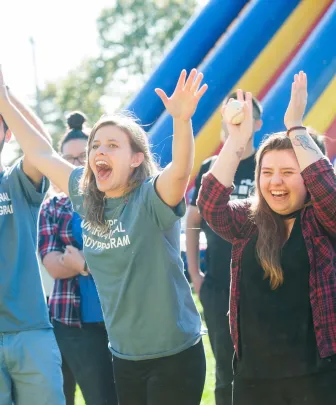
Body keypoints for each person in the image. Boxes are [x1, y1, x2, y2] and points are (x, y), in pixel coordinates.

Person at [0, 67, 208, 405]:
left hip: (175, 354)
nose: (100, 151)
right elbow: (41, 154)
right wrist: (3, 98)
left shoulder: (152, 198)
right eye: (96, 145)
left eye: (113, 145)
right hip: (125, 356)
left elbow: (181, 171)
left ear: (136, 158)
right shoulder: (85, 198)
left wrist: (182, 121)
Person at [197, 71, 336, 405]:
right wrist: (237, 140)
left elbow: (328, 191)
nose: (276, 182)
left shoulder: (320, 219)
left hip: (318, 377)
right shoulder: (247, 220)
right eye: (267, 172)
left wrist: (295, 126)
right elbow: (210, 203)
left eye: (288, 173)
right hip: (253, 379)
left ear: (305, 178)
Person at [186, 92, 262, 405]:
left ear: (256, 124)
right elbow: (192, 221)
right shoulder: (210, 168)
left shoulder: (267, 163)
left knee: (264, 366)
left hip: (263, 283)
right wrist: (196, 276)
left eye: (244, 117)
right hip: (218, 286)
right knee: (226, 372)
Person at [39, 111, 118, 405]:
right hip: (75, 324)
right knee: (99, 398)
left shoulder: (115, 199)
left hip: (120, 318)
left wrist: (83, 263)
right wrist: (88, 263)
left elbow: (124, 255)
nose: (73, 166)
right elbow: (52, 265)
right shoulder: (53, 207)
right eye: (66, 159)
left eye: (79, 157)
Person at [0, 89, 64, 404]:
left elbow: (42, 149)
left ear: (8, 133)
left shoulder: (15, 182)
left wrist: (3, 94)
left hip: (29, 329)